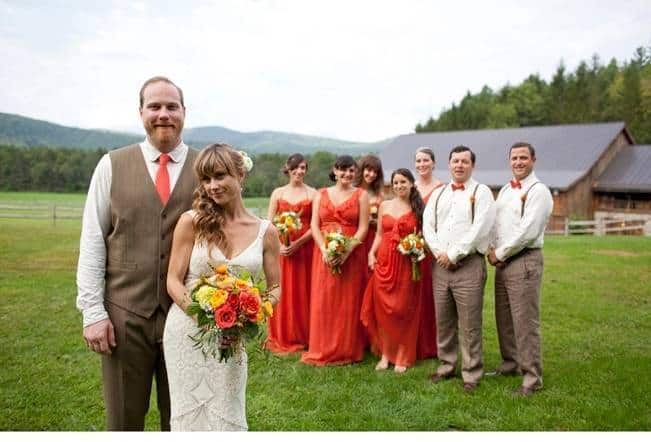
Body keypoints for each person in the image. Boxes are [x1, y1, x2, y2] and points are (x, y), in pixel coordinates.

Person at [76, 76, 198, 430]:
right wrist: (92, 312)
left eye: (171, 106)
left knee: (182, 419)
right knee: (124, 419)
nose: (164, 114)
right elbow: (92, 239)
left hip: (188, 315)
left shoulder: (207, 167)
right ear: (140, 112)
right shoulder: (111, 165)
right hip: (123, 317)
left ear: (184, 113)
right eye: (155, 106)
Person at [163, 144, 281, 430]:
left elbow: (276, 288)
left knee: (227, 413)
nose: (212, 186)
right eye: (206, 179)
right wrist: (205, 318)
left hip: (233, 337)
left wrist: (251, 316)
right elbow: (173, 281)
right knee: (189, 416)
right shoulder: (191, 222)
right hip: (187, 333)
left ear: (240, 175)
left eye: (219, 176)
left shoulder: (267, 232)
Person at [422, 145, 495, 393]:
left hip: (469, 265)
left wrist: (454, 255)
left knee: (470, 323)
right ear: (449, 164)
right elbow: (427, 226)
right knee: (444, 320)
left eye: (465, 161)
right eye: (455, 161)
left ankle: (471, 373)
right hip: (441, 266)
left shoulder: (482, 192)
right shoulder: (439, 193)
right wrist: (439, 253)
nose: (460, 165)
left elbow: (480, 229)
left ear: (472, 165)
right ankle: (446, 365)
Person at [487, 141, 553, 397]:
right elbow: (496, 223)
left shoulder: (540, 191)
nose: (518, 162)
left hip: (524, 259)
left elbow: (528, 232)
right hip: (503, 261)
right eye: (514, 158)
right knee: (504, 317)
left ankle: (532, 378)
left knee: (525, 320)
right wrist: (491, 248)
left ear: (533, 160)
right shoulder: (505, 190)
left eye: (523, 158)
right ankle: (510, 363)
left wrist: (500, 253)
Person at [301, 155, 370, 365]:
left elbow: (364, 227)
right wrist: (323, 249)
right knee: (325, 300)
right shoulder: (321, 194)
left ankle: (346, 348)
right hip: (323, 253)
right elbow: (313, 225)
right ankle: (322, 346)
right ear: (335, 170)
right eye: (343, 170)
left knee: (347, 301)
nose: (347, 174)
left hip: (352, 254)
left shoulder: (361, 195)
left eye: (351, 171)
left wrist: (347, 250)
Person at [361, 168, 426, 373]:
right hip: (384, 261)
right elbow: (380, 234)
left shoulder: (418, 207)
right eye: (396, 182)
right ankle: (385, 353)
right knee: (383, 310)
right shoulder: (385, 205)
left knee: (402, 309)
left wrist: (416, 249)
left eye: (403, 182)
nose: (399, 186)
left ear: (411, 184)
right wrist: (371, 253)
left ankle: (402, 355)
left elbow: (423, 236)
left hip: (406, 263)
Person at [266, 154, 317, 354]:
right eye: (295, 168)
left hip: (305, 248)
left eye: (303, 168)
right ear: (287, 168)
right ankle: (283, 334)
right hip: (283, 250)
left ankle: (305, 335)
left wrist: (298, 242)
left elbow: (316, 225)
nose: (299, 171)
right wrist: (279, 244)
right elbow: (269, 222)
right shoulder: (278, 193)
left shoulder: (313, 194)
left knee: (304, 291)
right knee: (283, 289)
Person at [414, 147, 444, 361]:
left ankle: (433, 342)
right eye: (418, 161)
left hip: (434, 247)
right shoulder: (410, 186)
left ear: (434, 163)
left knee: (433, 293)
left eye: (426, 160)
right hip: (413, 246)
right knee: (415, 293)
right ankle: (414, 340)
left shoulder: (442, 188)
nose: (422, 164)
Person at [355, 155, 384, 266]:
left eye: (375, 172)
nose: (372, 175)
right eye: (369, 170)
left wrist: (375, 222)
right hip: (354, 236)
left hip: (371, 238)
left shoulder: (378, 194)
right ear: (361, 169)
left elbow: (381, 221)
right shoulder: (352, 189)